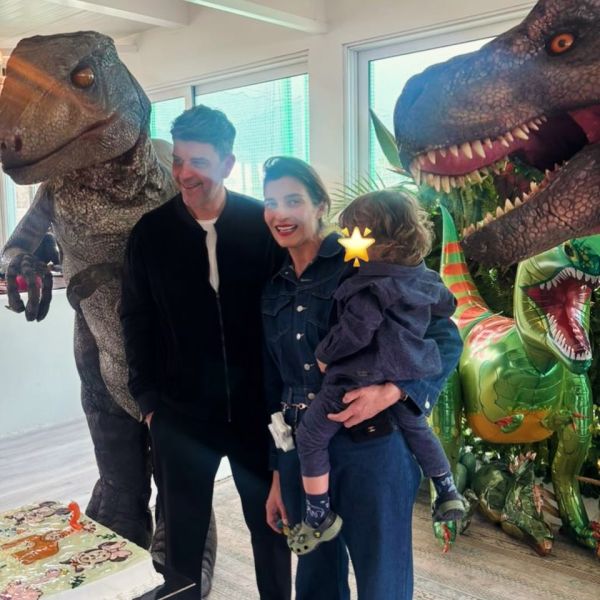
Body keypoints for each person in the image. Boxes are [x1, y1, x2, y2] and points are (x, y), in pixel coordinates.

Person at [261, 156, 463, 599]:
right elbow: (275, 383)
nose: (280, 213)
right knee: (315, 583)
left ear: (320, 206)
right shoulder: (274, 287)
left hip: (372, 447)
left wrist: (395, 392)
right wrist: (278, 473)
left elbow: (445, 338)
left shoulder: (367, 258)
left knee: (382, 581)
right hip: (302, 451)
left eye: (293, 200)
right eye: (270, 202)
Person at [120, 106, 291, 599]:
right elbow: (135, 318)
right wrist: (148, 402)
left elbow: (287, 314)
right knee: (182, 545)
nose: (183, 173)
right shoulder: (151, 233)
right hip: (180, 416)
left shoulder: (263, 226)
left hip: (258, 416)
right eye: (178, 160)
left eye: (198, 161)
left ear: (228, 164)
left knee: (272, 532)